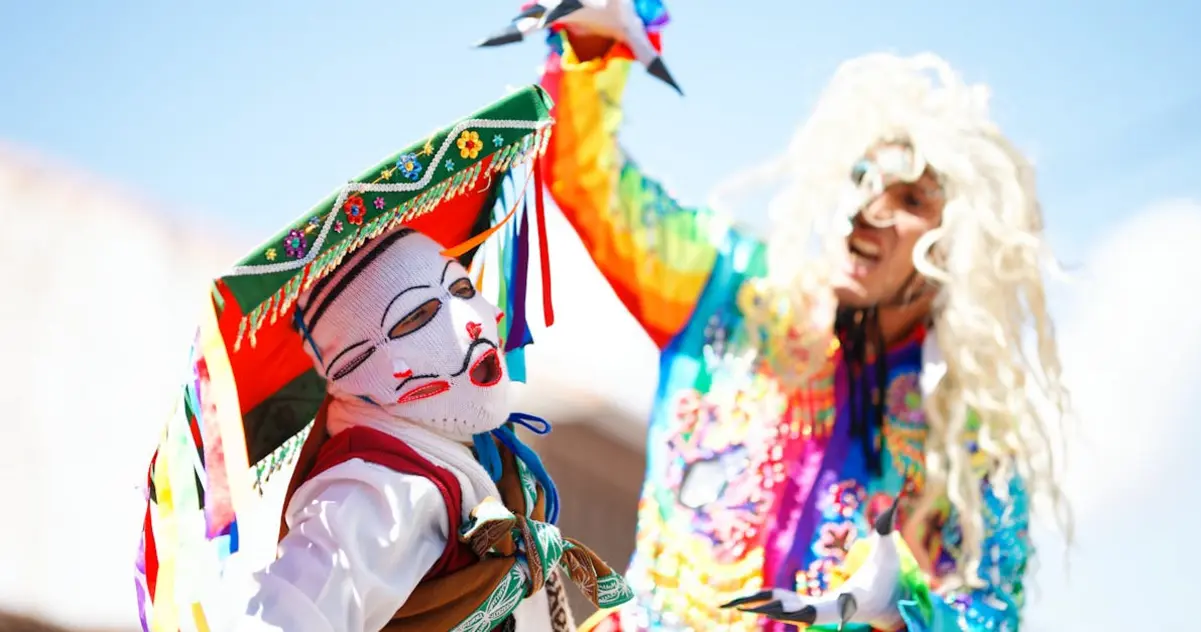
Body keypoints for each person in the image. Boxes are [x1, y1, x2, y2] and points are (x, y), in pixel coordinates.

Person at [481, 4, 1072, 631]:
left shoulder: (966, 436)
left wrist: (904, 610)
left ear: (957, 242)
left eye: (909, 200)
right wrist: (596, 39)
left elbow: (993, 613)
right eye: (862, 178)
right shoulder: (731, 291)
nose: (868, 207)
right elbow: (585, 177)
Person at [134, 86, 633, 632]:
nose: (473, 319)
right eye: (417, 317)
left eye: (463, 288)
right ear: (352, 373)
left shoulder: (472, 455)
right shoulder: (372, 491)